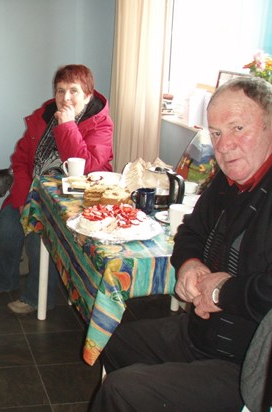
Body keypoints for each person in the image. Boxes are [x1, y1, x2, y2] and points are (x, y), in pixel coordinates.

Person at [91, 76, 272, 411]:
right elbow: (190, 232)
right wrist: (190, 265)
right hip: (200, 332)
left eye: (237, 128)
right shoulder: (227, 181)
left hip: (246, 366)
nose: (224, 145)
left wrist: (221, 291)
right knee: (114, 340)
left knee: (121, 390)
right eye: (215, 133)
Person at [0, 64, 114, 314]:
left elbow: (86, 169)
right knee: (6, 228)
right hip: (32, 191)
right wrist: (22, 196)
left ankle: (36, 296)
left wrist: (67, 126)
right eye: (60, 90)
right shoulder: (43, 116)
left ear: (88, 94)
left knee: (38, 241)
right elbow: (19, 160)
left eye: (74, 91)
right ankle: (2, 279)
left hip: (71, 202)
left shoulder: (100, 124)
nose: (65, 97)